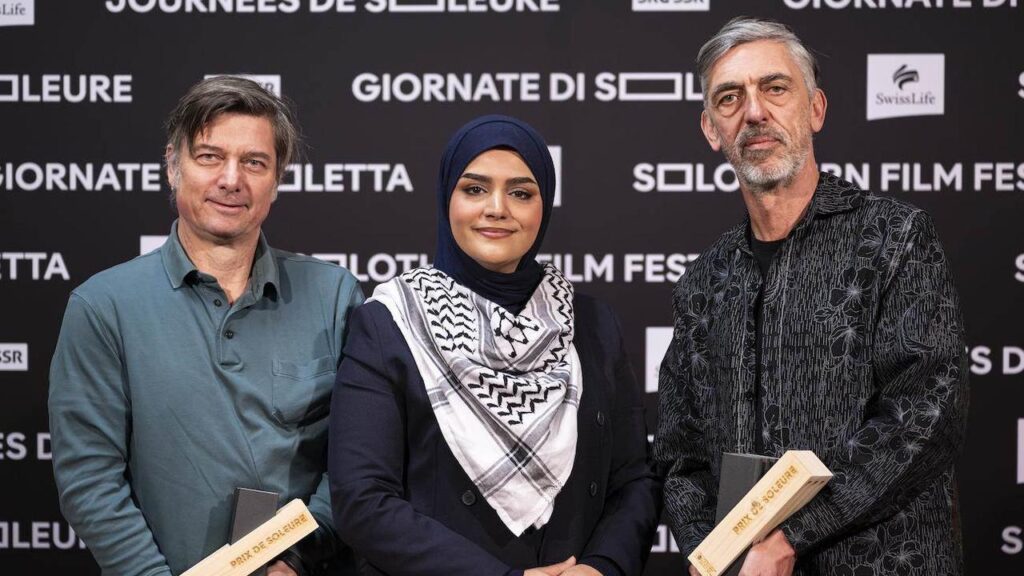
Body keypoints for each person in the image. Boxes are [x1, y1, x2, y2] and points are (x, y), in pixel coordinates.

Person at [653, 17, 969, 576]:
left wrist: (789, 538)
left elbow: (923, 418)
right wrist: (715, 555)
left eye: (775, 88)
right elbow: (681, 455)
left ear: (815, 109)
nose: (754, 112)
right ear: (710, 129)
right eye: (729, 98)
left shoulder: (894, 239)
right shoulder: (703, 281)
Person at [49, 76, 362, 576]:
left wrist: (295, 559)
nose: (231, 179)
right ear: (173, 166)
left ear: (277, 179)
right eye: (210, 157)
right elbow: (90, 480)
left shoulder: (335, 295)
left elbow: (358, 459)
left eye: (254, 162)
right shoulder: (103, 306)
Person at [328, 115, 661, 576]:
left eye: (521, 193)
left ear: (545, 206)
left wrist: (602, 566)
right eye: (475, 189)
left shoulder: (592, 324)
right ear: (447, 198)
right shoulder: (389, 323)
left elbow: (633, 481)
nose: (497, 209)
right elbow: (363, 501)